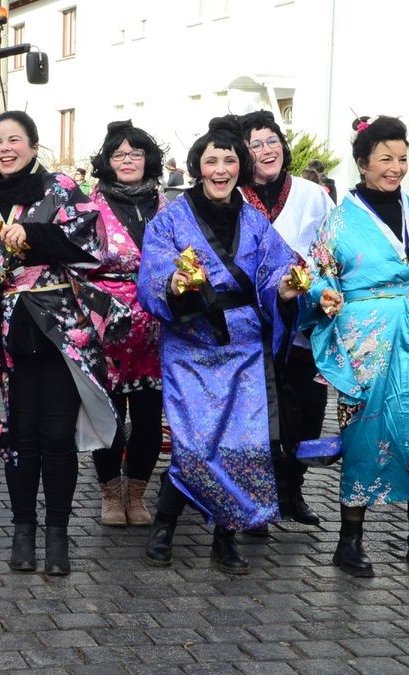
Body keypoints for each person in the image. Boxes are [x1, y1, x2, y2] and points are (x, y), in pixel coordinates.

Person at [305, 116, 409, 579]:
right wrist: (322, 292)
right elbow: (319, 273)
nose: (396, 167)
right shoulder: (339, 220)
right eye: (385, 158)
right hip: (368, 340)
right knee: (365, 433)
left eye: (402, 158)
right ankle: (350, 541)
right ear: (363, 163)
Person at [138, 115, 300, 574]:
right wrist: (175, 282)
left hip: (245, 345)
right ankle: (164, 526)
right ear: (197, 166)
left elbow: (275, 270)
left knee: (240, 444)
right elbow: (152, 273)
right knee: (194, 443)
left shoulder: (255, 220)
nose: (221, 168)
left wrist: (285, 290)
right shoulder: (169, 219)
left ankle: (225, 537)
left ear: (240, 167)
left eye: (230, 159)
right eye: (212, 160)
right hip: (191, 343)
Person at [0, 110, 122, 576]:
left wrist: (34, 234)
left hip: (60, 328)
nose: (5, 148)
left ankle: (58, 535)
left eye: (15, 139)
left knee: (57, 435)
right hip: (12, 331)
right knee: (22, 436)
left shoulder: (59, 189)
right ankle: (23, 530)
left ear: (35, 147)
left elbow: (93, 243)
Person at [239, 110, 335, 531]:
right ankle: (257, 498)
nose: (266, 150)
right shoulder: (235, 196)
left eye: (272, 140)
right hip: (253, 321)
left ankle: (292, 490)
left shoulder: (312, 194)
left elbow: (333, 246)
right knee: (259, 410)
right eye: (255, 144)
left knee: (308, 405)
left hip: (304, 318)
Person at [86, 120, 167, 527]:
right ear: (107, 161)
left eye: (135, 153)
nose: (128, 160)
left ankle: (136, 493)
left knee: (150, 419)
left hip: (157, 327)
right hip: (107, 324)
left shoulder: (166, 204)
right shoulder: (89, 205)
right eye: (119, 154)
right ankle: (110, 495)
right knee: (109, 416)